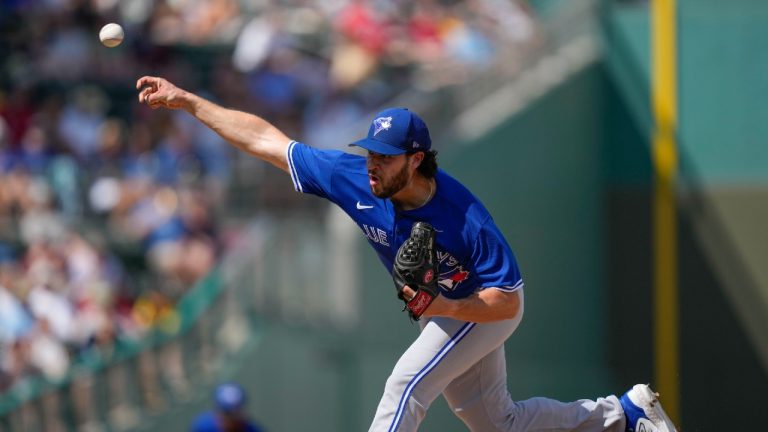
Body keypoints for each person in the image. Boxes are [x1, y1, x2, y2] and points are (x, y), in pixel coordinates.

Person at [137, 76, 678, 432]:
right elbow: (265, 141)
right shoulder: (354, 178)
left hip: (483, 306)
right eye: (370, 152)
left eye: (385, 157)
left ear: (415, 160)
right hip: (447, 306)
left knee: (406, 385)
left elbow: (506, 305)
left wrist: (441, 305)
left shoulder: (465, 218)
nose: (372, 164)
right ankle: (626, 415)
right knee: (499, 424)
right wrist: (189, 103)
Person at [190, 382, 265, 432]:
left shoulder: (252, 429)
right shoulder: (203, 427)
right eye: (227, 414)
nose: (231, 420)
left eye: (236, 414)